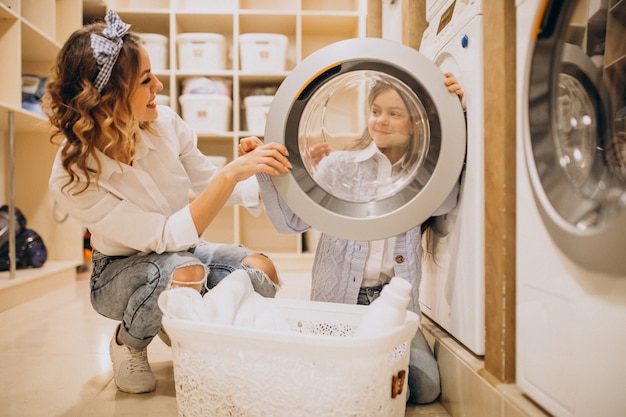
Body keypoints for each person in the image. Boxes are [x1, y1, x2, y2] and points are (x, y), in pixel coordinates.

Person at [43, 10, 292, 394]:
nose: (159, 85)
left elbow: (208, 182)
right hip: (118, 272)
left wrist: (259, 170)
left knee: (260, 271)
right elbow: (161, 236)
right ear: (108, 98)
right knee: (183, 270)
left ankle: (181, 321)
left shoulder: (167, 123)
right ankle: (129, 343)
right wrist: (231, 175)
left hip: (185, 254)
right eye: (145, 80)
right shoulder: (72, 176)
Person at [240, 72, 464, 404]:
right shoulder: (339, 166)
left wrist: (453, 114)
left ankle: (358, 374)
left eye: (394, 113)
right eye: (376, 111)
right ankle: (356, 373)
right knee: (330, 378)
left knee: (426, 386)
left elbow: (448, 199)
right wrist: (262, 167)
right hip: (340, 303)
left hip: (395, 306)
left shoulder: (423, 174)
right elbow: (290, 222)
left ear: (417, 122)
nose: (381, 121)